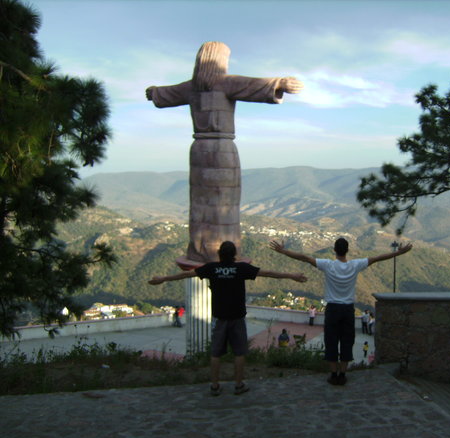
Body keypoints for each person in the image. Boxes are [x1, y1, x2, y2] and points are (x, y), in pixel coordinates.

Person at [146, 41, 304, 264]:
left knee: (200, 205)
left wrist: (153, 92)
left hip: (199, 151)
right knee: (225, 204)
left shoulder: (191, 87)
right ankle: (224, 251)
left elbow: (165, 94)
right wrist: (281, 83)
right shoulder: (226, 83)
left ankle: (200, 250)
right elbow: (254, 86)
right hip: (222, 150)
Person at [149, 241, 307, 396]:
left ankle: (215, 385)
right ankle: (238, 385)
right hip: (237, 316)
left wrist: (163, 278)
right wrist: (291, 275)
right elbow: (268, 273)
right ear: (234, 255)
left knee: (216, 354)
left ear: (219, 254)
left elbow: (186, 274)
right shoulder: (241, 268)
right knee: (239, 353)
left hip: (219, 317)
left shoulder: (212, 268)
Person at [270, 238, 413, 386]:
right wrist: (399, 252)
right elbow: (377, 258)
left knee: (331, 340)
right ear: (347, 250)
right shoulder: (355, 265)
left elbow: (305, 258)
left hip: (332, 309)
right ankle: (343, 374)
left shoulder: (328, 265)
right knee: (347, 340)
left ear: (334, 250)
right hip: (348, 309)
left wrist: (283, 251)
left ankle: (333, 375)